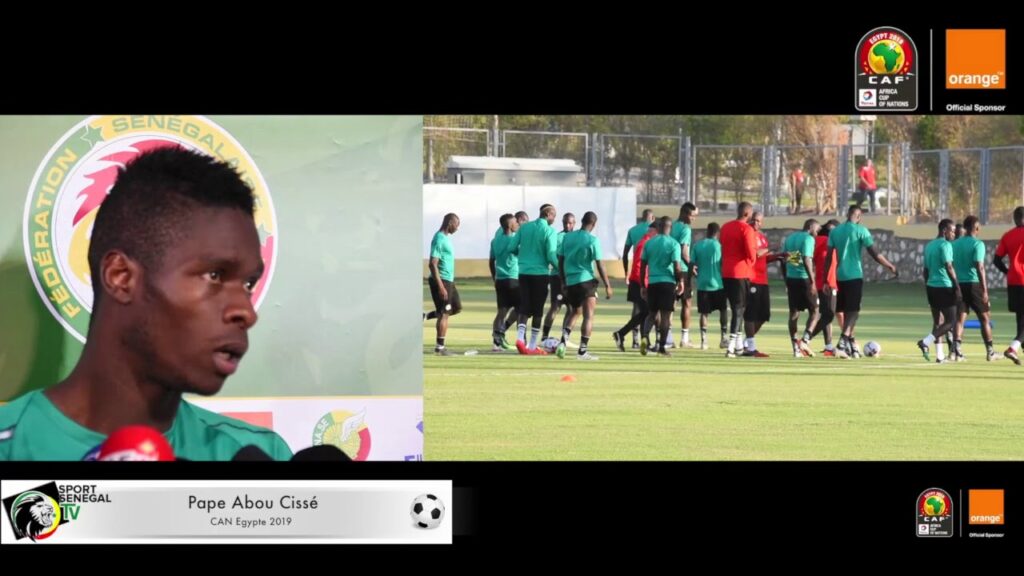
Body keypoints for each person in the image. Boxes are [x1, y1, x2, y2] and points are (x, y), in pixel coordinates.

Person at [0, 147, 292, 461]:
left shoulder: (258, 458)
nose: (246, 312)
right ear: (121, 276)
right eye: (215, 274)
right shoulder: (10, 448)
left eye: (248, 284)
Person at [825, 206, 898, 358]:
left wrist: (826, 279)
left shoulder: (835, 231)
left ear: (847, 214)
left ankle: (850, 343)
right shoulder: (861, 230)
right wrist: (889, 265)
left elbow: (828, 257)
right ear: (859, 217)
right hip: (854, 275)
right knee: (854, 311)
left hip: (840, 276)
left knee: (846, 311)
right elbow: (875, 254)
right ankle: (843, 341)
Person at [556, 211, 612, 360]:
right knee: (588, 316)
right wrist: (607, 285)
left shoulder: (567, 237)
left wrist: (563, 281)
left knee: (575, 312)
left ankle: (562, 343)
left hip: (571, 281)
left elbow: (560, 260)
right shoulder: (593, 240)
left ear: (581, 221)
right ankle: (582, 351)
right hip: (586, 280)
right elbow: (600, 264)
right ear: (594, 224)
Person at [512, 204, 559, 354]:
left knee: (524, 305)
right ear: (549, 214)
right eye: (554, 216)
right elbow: (551, 255)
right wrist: (560, 269)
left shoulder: (524, 227)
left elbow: (512, 247)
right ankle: (532, 346)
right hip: (540, 273)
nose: (554, 220)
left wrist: (524, 255)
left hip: (524, 272)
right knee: (538, 309)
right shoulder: (550, 231)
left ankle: (520, 339)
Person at [952, 216, 998, 361]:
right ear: (977, 228)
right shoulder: (978, 244)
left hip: (959, 284)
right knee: (985, 318)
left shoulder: (955, 244)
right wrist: (984, 290)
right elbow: (980, 266)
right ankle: (990, 351)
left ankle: (957, 352)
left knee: (960, 319)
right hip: (973, 284)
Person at [639, 217, 685, 357]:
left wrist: (642, 285)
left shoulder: (649, 243)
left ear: (658, 227)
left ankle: (645, 338)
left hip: (652, 282)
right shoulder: (674, 244)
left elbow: (642, 266)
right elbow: (677, 266)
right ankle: (662, 347)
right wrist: (680, 281)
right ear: (670, 228)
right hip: (667, 283)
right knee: (666, 317)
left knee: (652, 314)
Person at [916, 220, 960, 362]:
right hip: (944, 287)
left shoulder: (929, 245)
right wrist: (957, 286)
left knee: (937, 322)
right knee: (951, 321)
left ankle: (939, 356)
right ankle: (926, 342)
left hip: (931, 287)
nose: (954, 234)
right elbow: (949, 266)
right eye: (952, 231)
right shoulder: (945, 245)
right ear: (944, 230)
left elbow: (925, 270)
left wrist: (928, 285)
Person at [719, 202, 758, 358]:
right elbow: (751, 253)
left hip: (726, 272)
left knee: (736, 308)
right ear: (748, 214)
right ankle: (731, 346)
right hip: (740, 272)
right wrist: (753, 261)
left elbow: (723, 246)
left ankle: (739, 346)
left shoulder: (725, 227)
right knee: (739, 308)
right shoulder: (746, 229)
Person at [741, 211, 781, 358]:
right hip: (751, 279)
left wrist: (778, 256)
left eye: (759, 221)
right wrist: (771, 249)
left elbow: (763, 258)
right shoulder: (747, 235)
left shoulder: (763, 238)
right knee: (750, 314)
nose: (756, 223)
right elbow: (756, 253)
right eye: (754, 221)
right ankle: (751, 347)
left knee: (764, 315)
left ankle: (745, 342)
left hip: (763, 280)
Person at [613, 221, 657, 351]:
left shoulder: (646, 242)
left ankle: (644, 341)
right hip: (639, 282)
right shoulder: (645, 243)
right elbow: (638, 265)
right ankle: (621, 333)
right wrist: (644, 284)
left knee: (645, 312)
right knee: (647, 312)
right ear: (653, 231)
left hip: (639, 282)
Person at [784, 219, 820, 358]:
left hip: (791, 279)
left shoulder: (790, 238)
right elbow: (806, 259)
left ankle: (795, 348)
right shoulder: (808, 239)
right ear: (810, 227)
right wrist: (812, 281)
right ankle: (805, 340)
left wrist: (786, 278)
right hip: (804, 279)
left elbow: (785, 258)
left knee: (794, 313)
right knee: (815, 311)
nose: (817, 232)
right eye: (817, 229)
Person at [993, 206, 1024, 365]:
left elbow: (996, 260)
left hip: (1013, 281)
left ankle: (1018, 349)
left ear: (1015, 219)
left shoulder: (1008, 236)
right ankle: (1012, 348)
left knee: (1020, 318)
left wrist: (1008, 271)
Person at [429, 213, 461, 356]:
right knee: (444, 313)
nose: (457, 228)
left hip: (449, 280)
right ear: (450, 223)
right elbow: (432, 264)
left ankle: (428, 315)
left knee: (456, 307)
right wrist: (441, 286)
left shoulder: (445, 238)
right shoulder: (439, 239)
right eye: (456, 225)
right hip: (442, 280)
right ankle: (440, 348)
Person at [806, 219, 840, 356]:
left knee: (825, 314)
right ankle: (805, 339)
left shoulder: (812, 240)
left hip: (816, 282)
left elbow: (798, 257)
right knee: (829, 314)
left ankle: (828, 346)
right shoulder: (827, 242)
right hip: (827, 283)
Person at [692, 222, 727, 350]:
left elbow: (692, 264)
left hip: (702, 284)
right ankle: (723, 338)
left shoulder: (698, 245)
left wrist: (696, 274)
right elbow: (723, 264)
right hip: (718, 284)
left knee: (704, 313)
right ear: (718, 233)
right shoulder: (720, 246)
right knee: (723, 310)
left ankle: (704, 341)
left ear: (707, 231)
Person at [543, 213, 576, 343]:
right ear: (562, 222)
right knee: (555, 307)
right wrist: (561, 269)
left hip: (571, 279)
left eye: (570, 223)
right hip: (557, 277)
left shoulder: (576, 238)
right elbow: (551, 255)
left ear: (574, 223)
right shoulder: (557, 237)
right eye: (565, 223)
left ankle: (564, 338)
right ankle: (545, 336)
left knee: (571, 308)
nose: (567, 225)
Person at [489, 213, 520, 352]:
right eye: (515, 222)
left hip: (500, 280)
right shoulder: (514, 240)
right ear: (509, 225)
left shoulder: (495, 240)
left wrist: (494, 277)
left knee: (501, 311)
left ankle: (496, 342)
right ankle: (502, 331)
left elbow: (491, 261)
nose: (517, 224)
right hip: (513, 279)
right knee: (522, 308)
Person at [671, 202, 699, 348]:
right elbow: (684, 252)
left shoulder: (672, 226)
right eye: (692, 215)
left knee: (670, 305)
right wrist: (691, 266)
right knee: (686, 303)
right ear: (684, 213)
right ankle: (685, 338)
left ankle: (668, 338)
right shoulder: (685, 229)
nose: (694, 219)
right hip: (682, 270)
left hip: (669, 269)